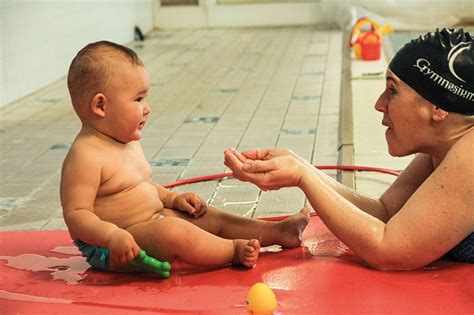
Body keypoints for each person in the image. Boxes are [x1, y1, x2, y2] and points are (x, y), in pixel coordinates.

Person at [224, 28, 474, 270]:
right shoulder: (442, 147)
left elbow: (389, 251)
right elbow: (385, 213)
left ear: (438, 109)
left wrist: (303, 177)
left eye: (392, 91)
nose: (379, 104)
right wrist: (300, 166)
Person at [60, 41, 310, 272]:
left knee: (206, 216)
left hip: (152, 222)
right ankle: (231, 250)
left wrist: (172, 198)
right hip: (115, 247)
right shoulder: (86, 155)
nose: (147, 108)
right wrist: (110, 236)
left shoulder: (125, 142)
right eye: (138, 99)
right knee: (173, 232)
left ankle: (278, 232)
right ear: (101, 106)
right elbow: (77, 215)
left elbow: (141, 186)